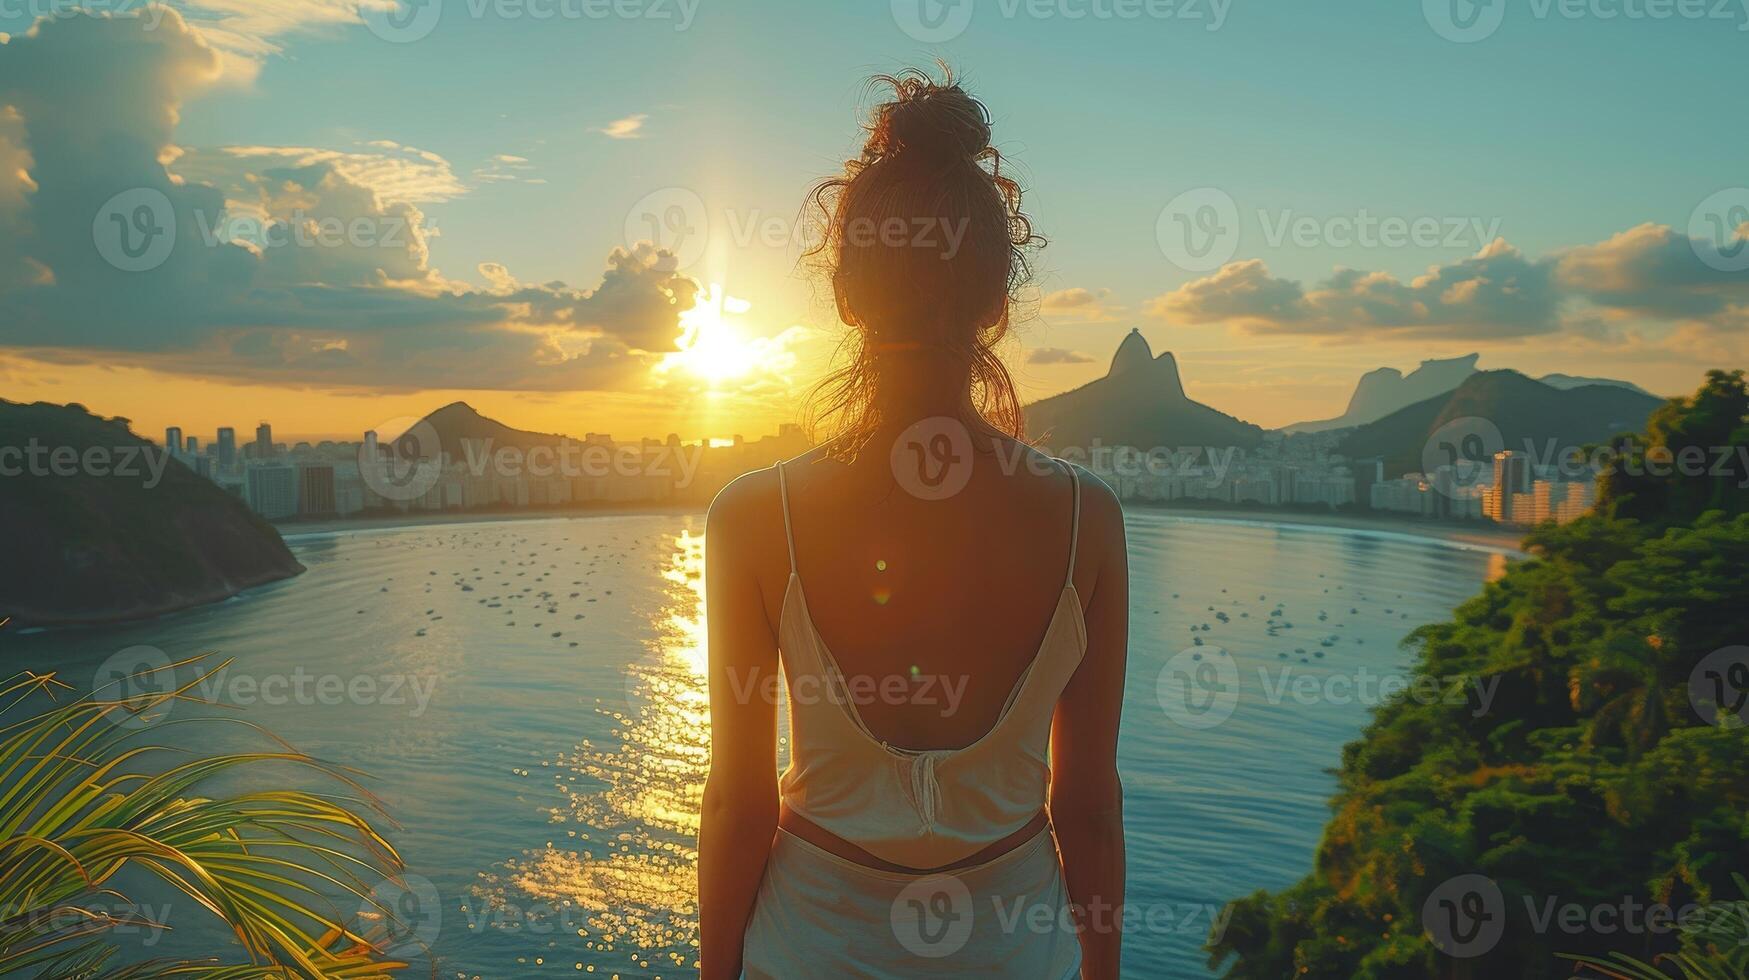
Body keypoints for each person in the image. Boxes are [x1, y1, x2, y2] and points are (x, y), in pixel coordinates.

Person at [698, 67, 1128, 979]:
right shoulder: (1088, 520)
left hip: (809, 950)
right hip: (1019, 953)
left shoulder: (752, 517)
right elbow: (1087, 805)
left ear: (847, 296)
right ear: (997, 305)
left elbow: (736, 806)